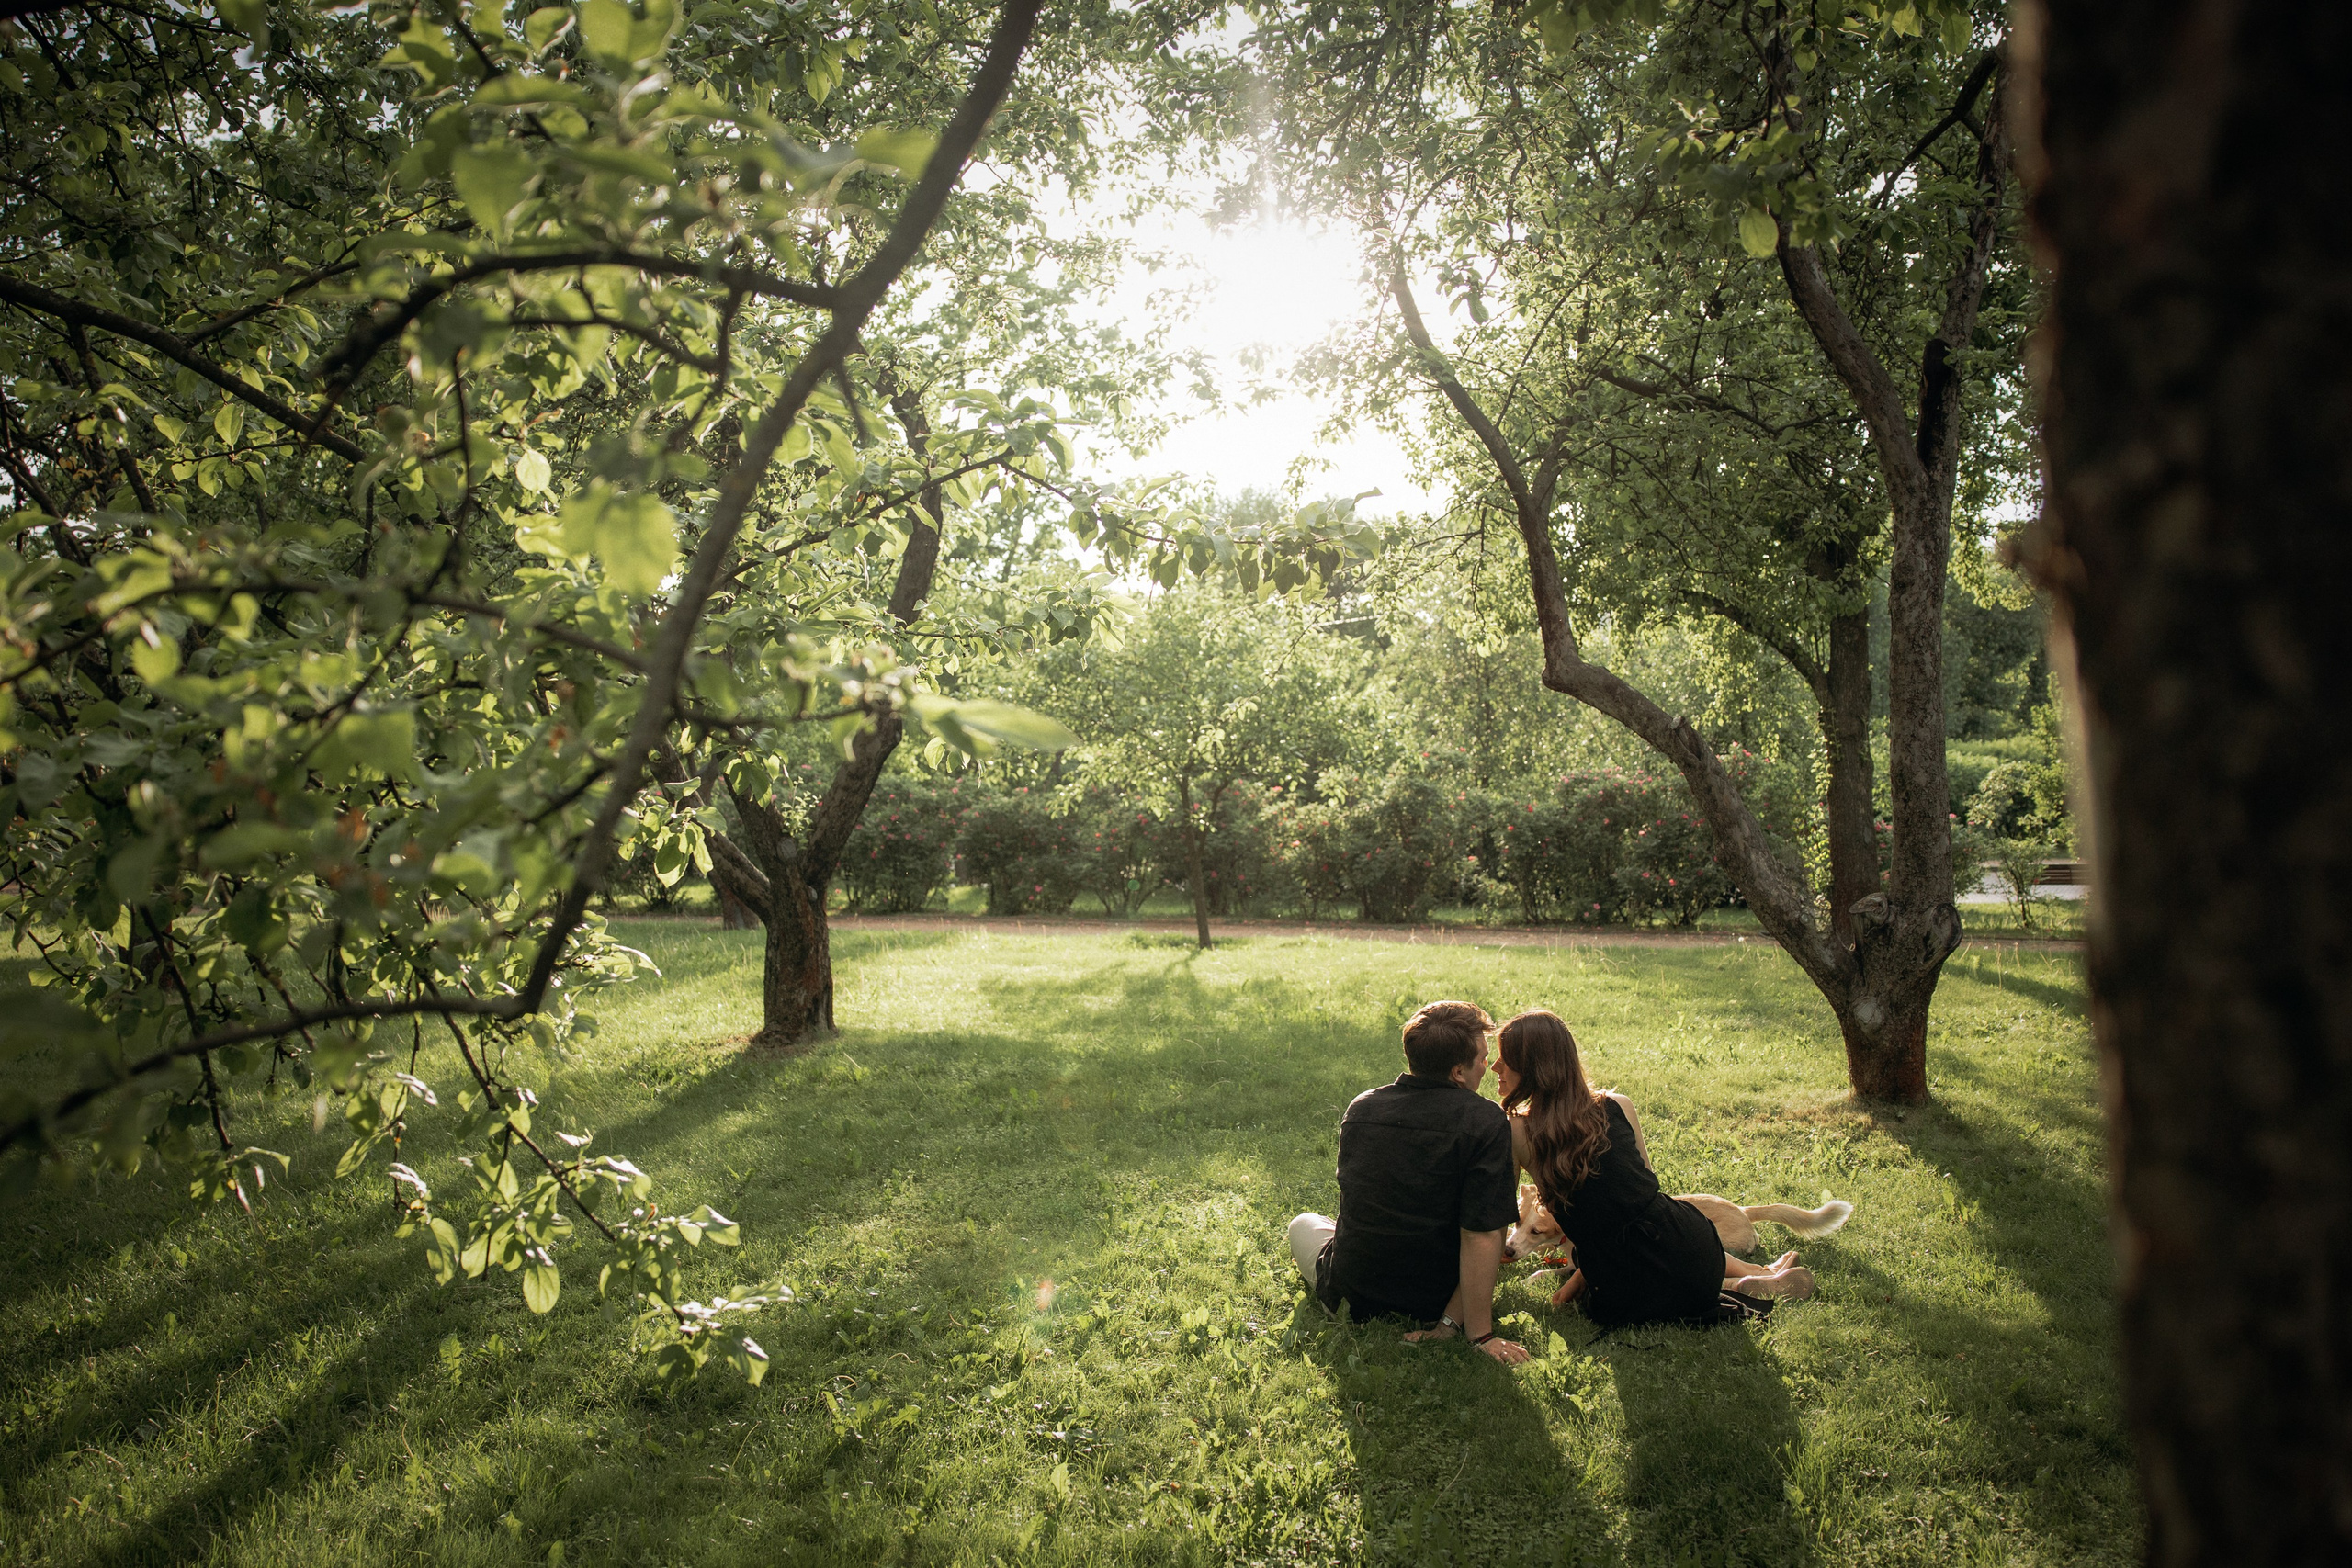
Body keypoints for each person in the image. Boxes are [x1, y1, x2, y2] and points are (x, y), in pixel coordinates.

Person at [1495, 1009, 1813, 1328]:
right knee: (1670, 1273)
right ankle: (1756, 1276)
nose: (1495, 1067)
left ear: (1534, 1068)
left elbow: (1495, 1217)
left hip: (1620, 1282)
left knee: (1624, 1295)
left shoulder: (1516, 1132)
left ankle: (1741, 1283)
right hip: (1691, 1242)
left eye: (1504, 1059)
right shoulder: (1619, 1104)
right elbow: (1644, 1196)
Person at [1286, 1000, 1531, 1365]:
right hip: (1435, 1297)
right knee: (1488, 1225)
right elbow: (1482, 1233)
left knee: (1302, 1224)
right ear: (1458, 1072)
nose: (1488, 1064)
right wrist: (1478, 1334)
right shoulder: (1486, 1121)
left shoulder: (1362, 1108)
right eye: (1482, 1057)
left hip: (1353, 1296)